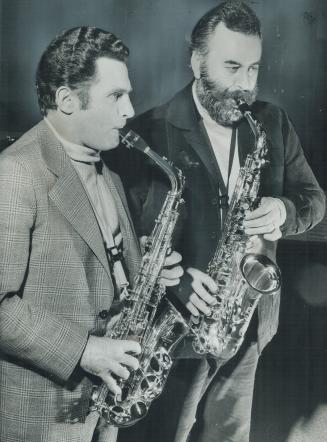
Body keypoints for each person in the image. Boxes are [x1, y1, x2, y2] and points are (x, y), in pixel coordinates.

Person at [113, 2, 326, 442]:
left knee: (228, 435)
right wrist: (173, 280)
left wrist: (284, 210)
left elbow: (314, 200)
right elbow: (124, 239)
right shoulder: (147, 133)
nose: (245, 86)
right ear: (196, 61)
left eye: (253, 69)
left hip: (246, 322)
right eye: (232, 67)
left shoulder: (271, 122)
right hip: (174, 330)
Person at [0, 26, 185, 442]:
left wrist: (147, 271)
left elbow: (100, 261)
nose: (129, 111)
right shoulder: (15, 174)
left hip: (103, 402)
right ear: (67, 100)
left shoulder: (110, 172)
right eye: (116, 96)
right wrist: (85, 350)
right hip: (43, 413)